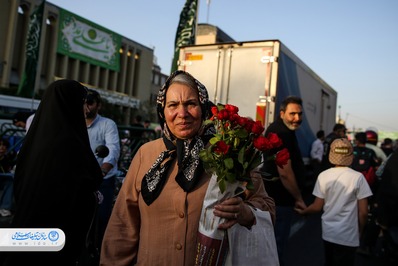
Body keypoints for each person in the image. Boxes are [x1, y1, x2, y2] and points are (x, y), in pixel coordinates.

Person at [100, 70, 276, 265]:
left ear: (203, 107)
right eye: (173, 105)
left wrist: (246, 212)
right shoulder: (146, 154)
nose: (182, 114)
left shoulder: (229, 151)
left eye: (191, 104)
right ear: (162, 111)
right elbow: (123, 224)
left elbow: (266, 206)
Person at [1, 79, 103, 265]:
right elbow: (83, 187)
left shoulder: (33, 144)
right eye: (82, 103)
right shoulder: (71, 146)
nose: (86, 110)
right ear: (70, 104)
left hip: (26, 239)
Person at [295, 138, 373, 266]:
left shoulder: (323, 175)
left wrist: (304, 211)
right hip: (349, 235)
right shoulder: (358, 177)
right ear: (350, 155)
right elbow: (364, 212)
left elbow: (316, 206)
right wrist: (360, 230)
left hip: (329, 233)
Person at [260, 95, 307, 265]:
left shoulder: (284, 130)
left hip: (275, 198)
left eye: (300, 114)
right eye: (292, 114)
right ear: (281, 114)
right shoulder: (281, 133)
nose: (297, 118)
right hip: (279, 200)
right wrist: (298, 198)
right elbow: (285, 172)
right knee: (275, 248)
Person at [84, 89, 120, 255]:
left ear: (98, 105)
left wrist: (104, 169)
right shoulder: (73, 123)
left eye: (90, 103)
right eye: (83, 102)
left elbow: (112, 149)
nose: (86, 107)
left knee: (102, 217)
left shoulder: (107, 124)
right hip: (80, 178)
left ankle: (100, 253)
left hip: (102, 179)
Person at [0, 138, 15, 217]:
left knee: (9, 181)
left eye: (4, 146)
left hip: (2, 179)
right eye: (0, 145)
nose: (2, 147)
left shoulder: (6, 158)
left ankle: (4, 208)